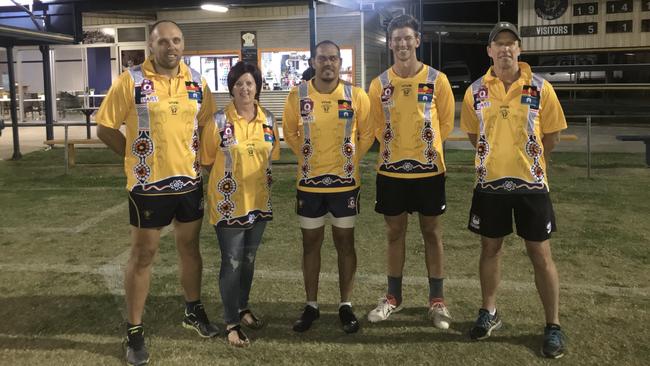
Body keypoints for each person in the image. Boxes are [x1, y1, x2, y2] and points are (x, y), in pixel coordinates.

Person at [96, 20, 219, 366]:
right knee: (144, 254)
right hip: (148, 187)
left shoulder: (197, 80)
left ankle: (193, 311)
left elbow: (207, 124)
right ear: (151, 46)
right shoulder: (130, 80)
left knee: (190, 248)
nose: (171, 47)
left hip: (188, 183)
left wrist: (206, 161)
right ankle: (134, 330)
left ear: (184, 44)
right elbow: (105, 127)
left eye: (177, 40)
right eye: (163, 41)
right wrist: (133, 156)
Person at [459, 22, 567, 359]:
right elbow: (473, 135)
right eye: (499, 44)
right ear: (489, 51)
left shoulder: (541, 87)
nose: (505, 49)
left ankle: (553, 325)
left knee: (540, 254)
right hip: (490, 186)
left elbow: (551, 136)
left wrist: (529, 163)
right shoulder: (475, 90)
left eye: (511, 44)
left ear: (519, 50)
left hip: (532, 185)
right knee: (490, 249)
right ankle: (489, 312)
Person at [366, 14, 454, 329]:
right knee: (394, 233)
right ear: (390, 44)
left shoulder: (437, 80)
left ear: (418, 40)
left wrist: (423, 152)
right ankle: (393, 297)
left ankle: (437, 300)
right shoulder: (379, 84)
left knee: (432, 233)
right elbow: (376, 126)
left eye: (408, 38)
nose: (402, 44)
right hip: (391, 171)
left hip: (429, 171)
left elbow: (445, 124)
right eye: (397, 39)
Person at [283, 40, 373, 334]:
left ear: (340, 63)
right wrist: (309, 159)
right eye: (322, 58)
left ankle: (345, 305)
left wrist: (349, 161)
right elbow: (290, 132)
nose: (328, 63)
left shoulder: (355, 95)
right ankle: (311, 304)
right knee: (311, 244)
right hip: (309, 184)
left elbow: (368, 134)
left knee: (345, 244)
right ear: (312, 61)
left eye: (333, 58)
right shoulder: (298, 95)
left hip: (345, 185)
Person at [200, 61, 280, 347]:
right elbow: (207, 160)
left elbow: (272, 155)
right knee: (232, 262)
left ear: (257, 85)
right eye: (238, 84)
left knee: (248, 259)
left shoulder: (269, 119)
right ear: (231, 89)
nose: (244, 88)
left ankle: (243, 307)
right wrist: (228, 186)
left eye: (249, 83)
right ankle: (231, 322)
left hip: (258, 202)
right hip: (228, 205)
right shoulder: (219, 121)